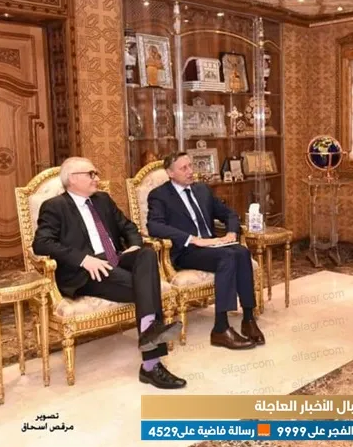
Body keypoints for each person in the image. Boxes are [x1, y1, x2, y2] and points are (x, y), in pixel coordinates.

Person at [32, 157, 186, 389]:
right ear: (72, 179)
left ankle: (149, 333)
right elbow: (41, 243)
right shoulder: (55, 206)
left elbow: (128, 227)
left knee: (145, 254)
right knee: (147, 286)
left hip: (116, 258)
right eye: (91, 174)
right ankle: (151, 364)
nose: (97, 178)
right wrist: (84, 259)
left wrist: (134, 245)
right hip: (87, 272)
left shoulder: (102, 200)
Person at [146, 152, 265, 350]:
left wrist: (231, 233)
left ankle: (248, 318)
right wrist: (193, 239)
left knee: (241, 252)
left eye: (190, 166)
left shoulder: (202, 189)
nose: (190, 171)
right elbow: (154, 226)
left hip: (212, 245)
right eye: (184, 168)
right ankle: (221, 328)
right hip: (186, 251)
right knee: (228, 257)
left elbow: (229, 213)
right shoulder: (159, 195)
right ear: (170, 173)